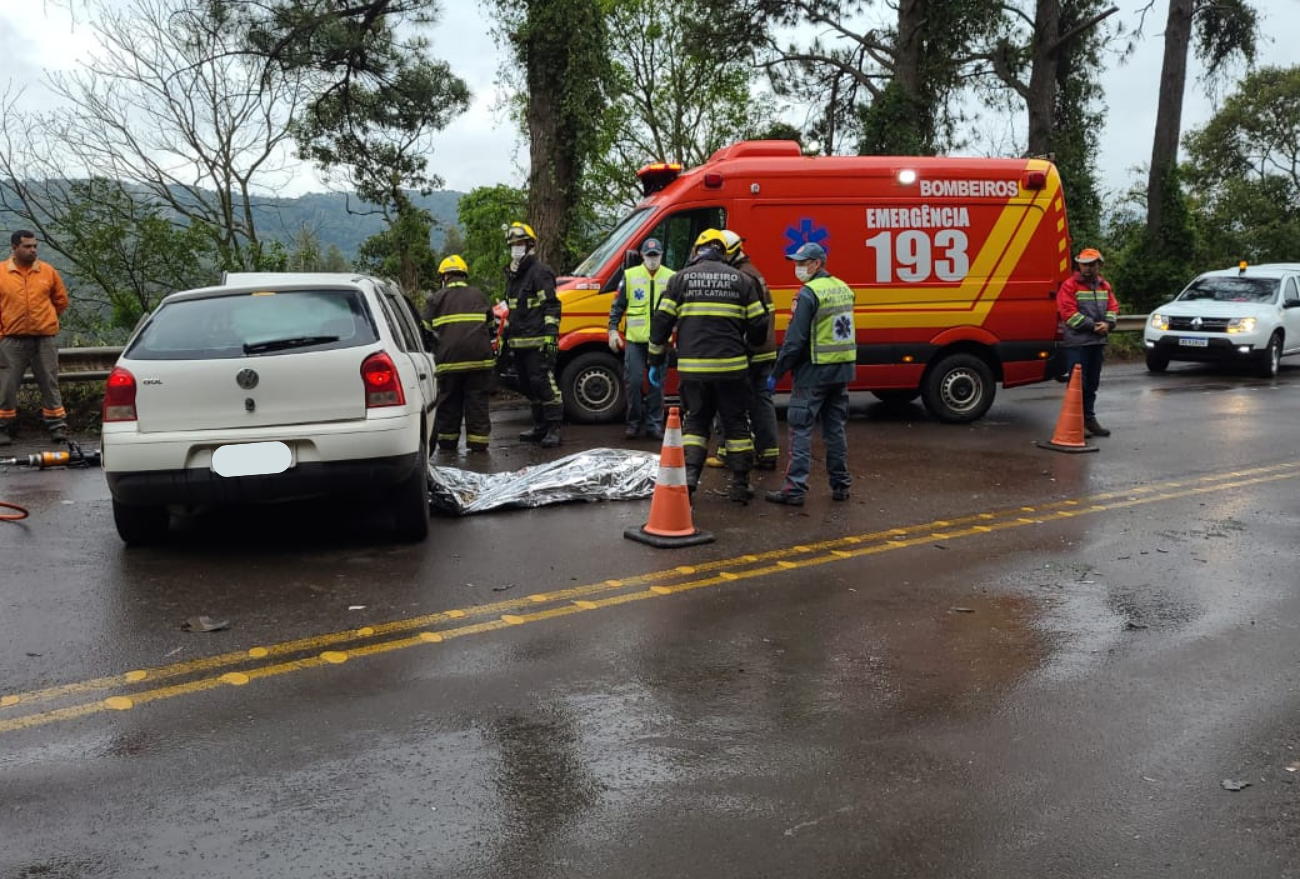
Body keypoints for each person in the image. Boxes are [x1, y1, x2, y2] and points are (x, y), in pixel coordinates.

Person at [649, 228, 767, 504]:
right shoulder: (741, 280)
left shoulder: (679, 280)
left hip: (693, 370)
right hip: (732, 369)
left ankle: (690, 479)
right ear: (724, 252)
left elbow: (661, 322)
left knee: (696, 422)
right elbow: (760, 323)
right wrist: (750, 345)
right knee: (736, 424)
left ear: (696, 251)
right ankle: (740, 485)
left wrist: (656, 360)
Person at [766, 242, 854, 506]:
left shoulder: (808, 294)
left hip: (813, 372)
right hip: (841, 371)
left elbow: (795, 341)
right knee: (835, 431)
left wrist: (777, 373)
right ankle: (841, 485)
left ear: (816, 264)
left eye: (802, 263)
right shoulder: (843, 288)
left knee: (800, 429)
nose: (798, 268)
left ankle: (794, 490)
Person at [0, 230, 70, 447]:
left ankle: (57, 426)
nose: (33, 250)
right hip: (11, 339)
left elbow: (61, 301)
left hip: (44, 339)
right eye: (27, 246)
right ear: (14, 247)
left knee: (49, 383)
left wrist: (46, 321)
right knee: (6, 385)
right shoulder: (1, 273)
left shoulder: (47, 271)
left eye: (34, 246)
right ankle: (3, 428)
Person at [421, 254, 496, 453]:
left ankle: (447, 443)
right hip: (480, 361)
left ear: (444, 277)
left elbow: (424, 332)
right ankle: (479, 444)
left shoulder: (435, 299)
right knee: (477, 402)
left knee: (449, 403)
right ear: (463, 275)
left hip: (448, 362)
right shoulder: (479, 295)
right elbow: (491, 327)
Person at [503, 221, 563, 448]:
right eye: (512, 244)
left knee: (545, 383)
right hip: (519, 343)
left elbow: (551, 306)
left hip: (539, 341)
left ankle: (554, 427)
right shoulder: (513, 275)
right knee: (528, 385)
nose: (515, 247)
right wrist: (504, 341)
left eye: (519, 243)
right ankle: (540, 427)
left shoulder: (540, 272)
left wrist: (551, 337)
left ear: (529, 245)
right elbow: (513, 310)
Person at [608, 237, 674, 440]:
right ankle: (634, 422)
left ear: (661, 255)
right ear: (642, 256)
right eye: (649, 255)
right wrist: (612, 330)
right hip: (635, 341)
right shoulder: (630, 275)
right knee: (634, 382)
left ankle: (654, 424)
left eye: (656, 255)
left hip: (660, 341)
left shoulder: (672, 277)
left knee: (656, 384)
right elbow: (618, 305)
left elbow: (679, 309)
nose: (652, 259)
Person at [1056, 247, 1119, 437]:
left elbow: (1113, 307)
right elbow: (1068, 313)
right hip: (1078, 343)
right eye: (1084, 265)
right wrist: (1094, 326)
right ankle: (1077, 422)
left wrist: (1108, 324)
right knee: (1078, 386)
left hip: (1097, 342)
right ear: (1079, 265)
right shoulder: (1069, 285)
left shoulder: (1104, 286)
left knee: (1092, 384)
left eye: (1092, 264)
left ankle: (1089, 420)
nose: (1088, 268)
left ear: (1099, 265)